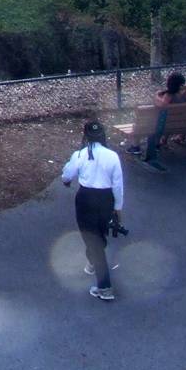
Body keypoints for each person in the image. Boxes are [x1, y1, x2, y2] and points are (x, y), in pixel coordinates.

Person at [61, 120, 125, 302]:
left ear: (86, 136)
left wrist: (66, 180)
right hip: (106, 199)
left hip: (86, 199)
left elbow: (67, 175)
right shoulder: (112, 156)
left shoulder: (80, 155)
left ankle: (105, 287)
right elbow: (118, 185)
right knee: (99, 234)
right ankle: (92, 262)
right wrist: (118, 207)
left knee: (92, 239)